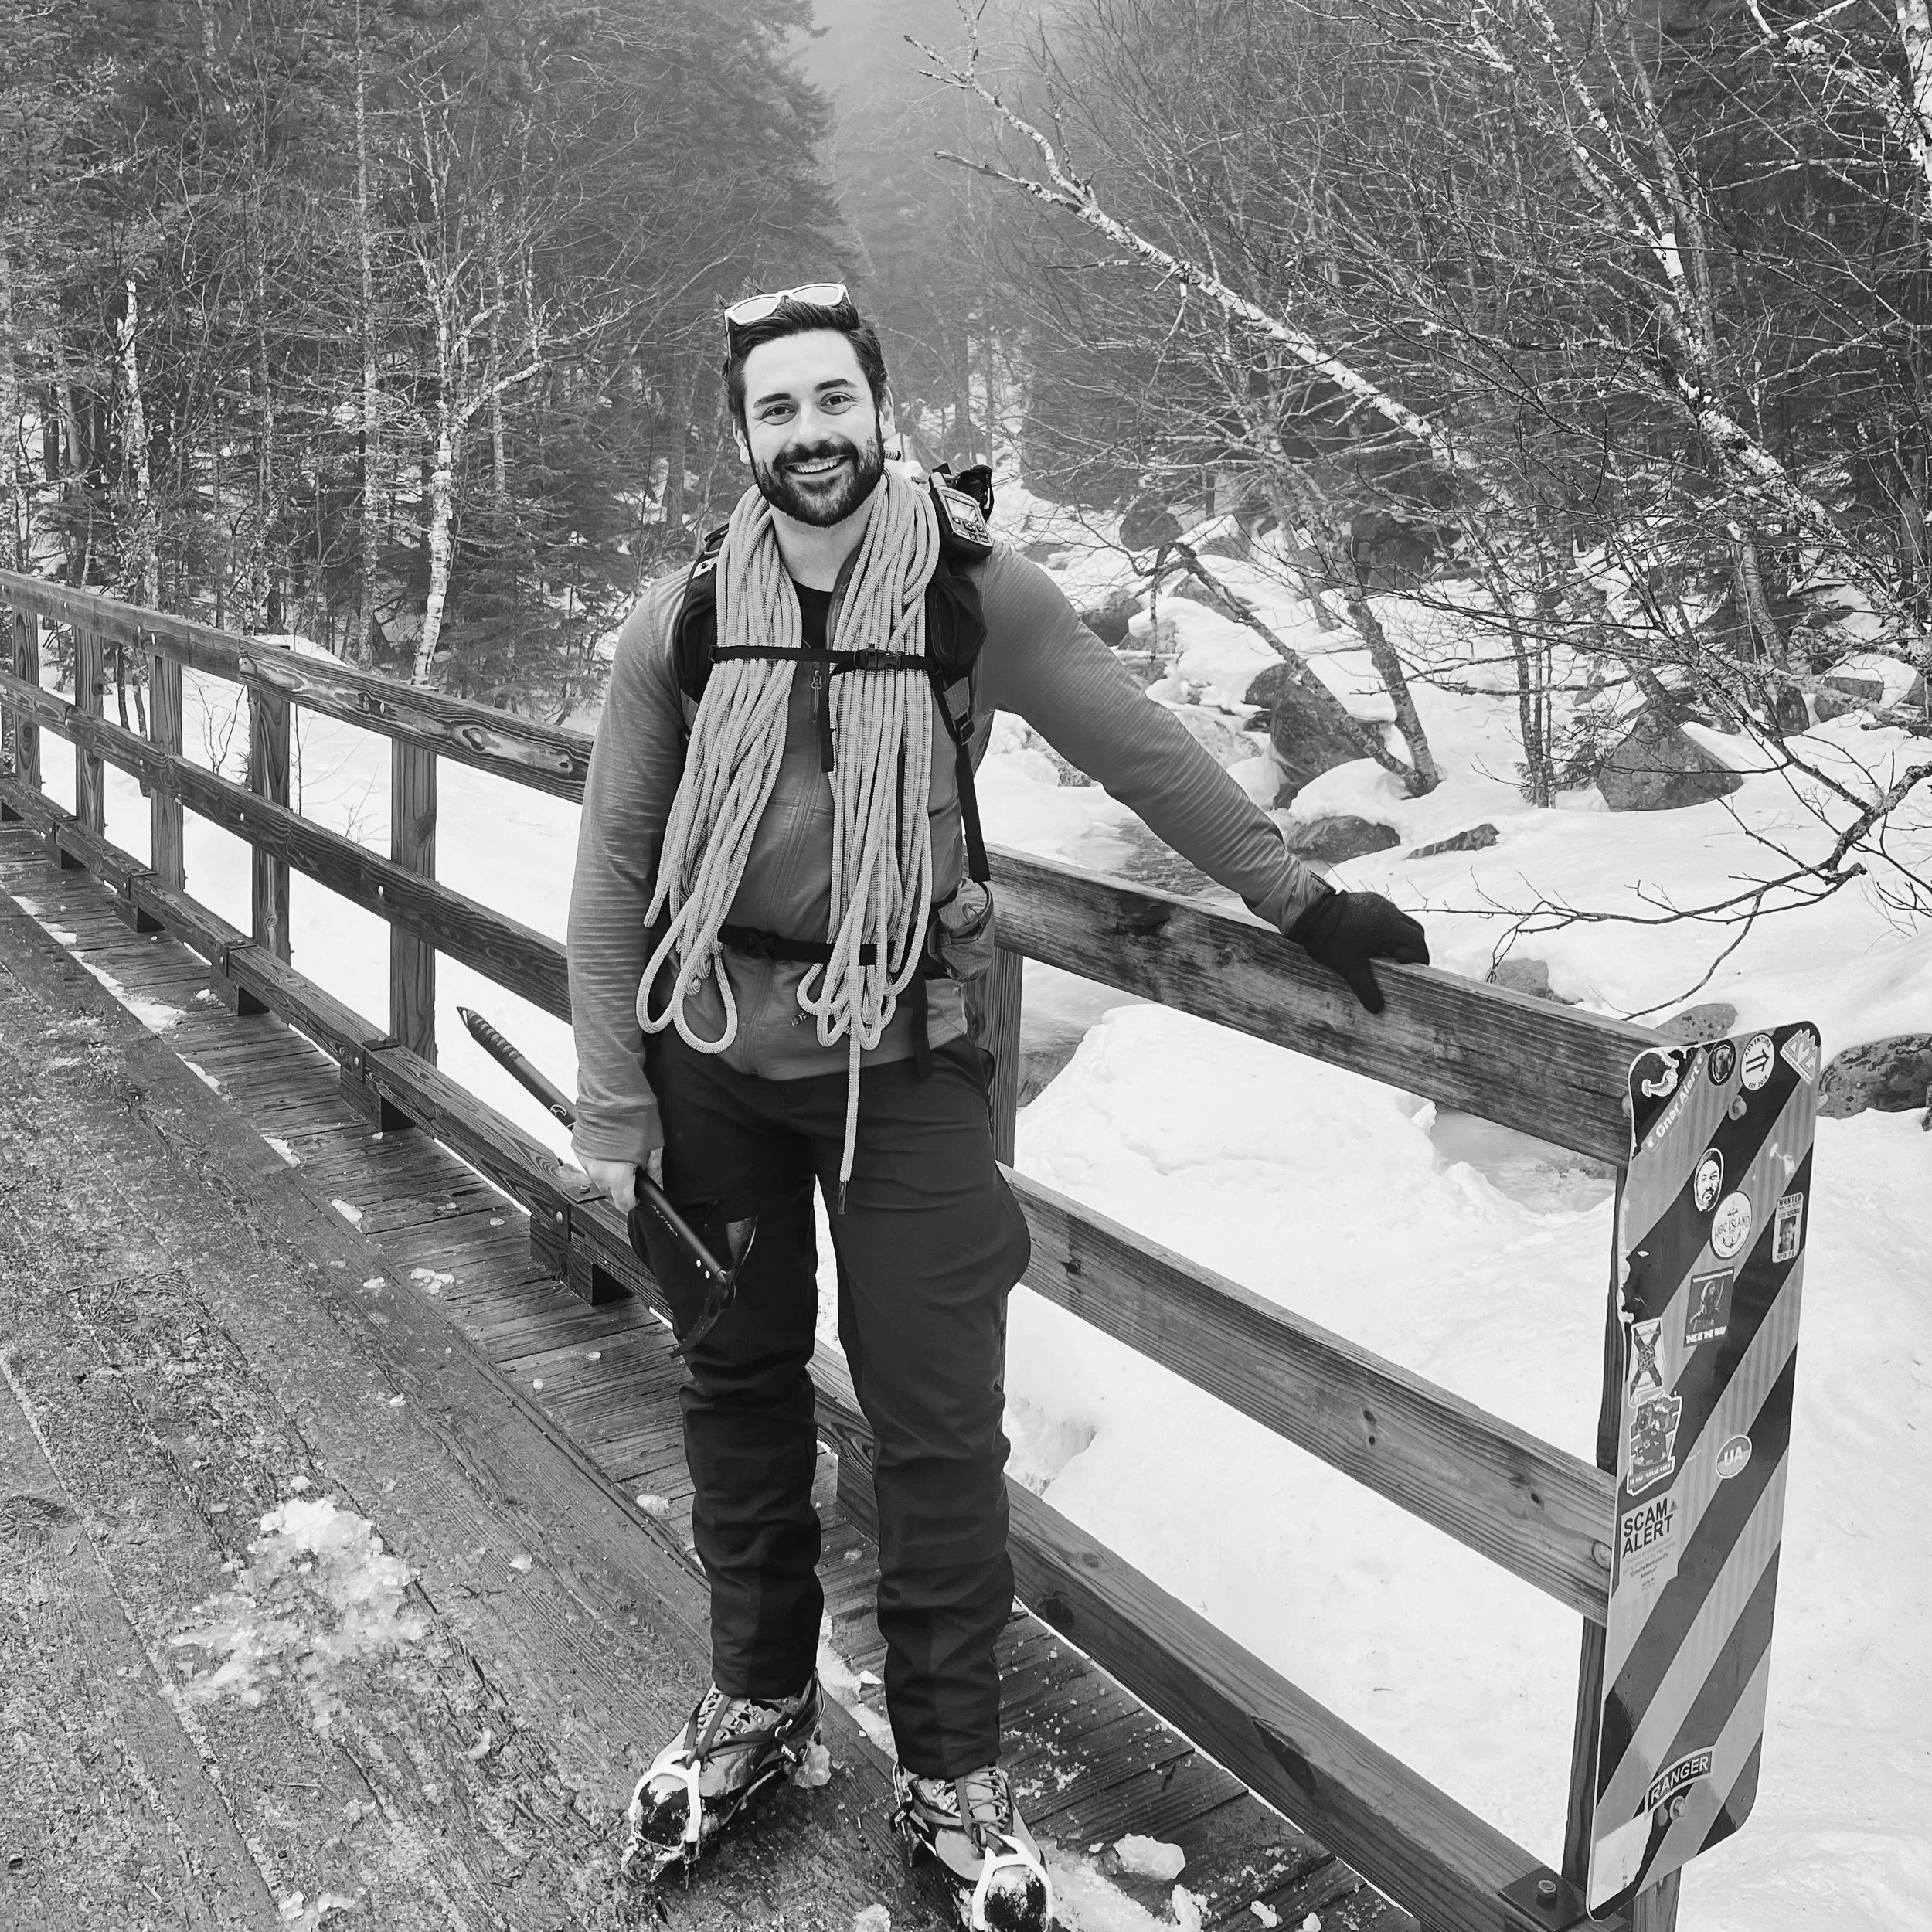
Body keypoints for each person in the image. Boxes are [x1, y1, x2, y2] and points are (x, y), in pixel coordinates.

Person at [566, 285, 1428, 1928]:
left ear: (878, 407)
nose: (810, 433)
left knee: (941, 1426)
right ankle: (756, 1704)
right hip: (713, 1066)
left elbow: (1139, 746)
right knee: (735, 1382)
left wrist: (1298, 895)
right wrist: (614, 1108)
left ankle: (950, 1771)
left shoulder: (974, 598)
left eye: (835, 400)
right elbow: (616, 865)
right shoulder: (676, 622)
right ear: (740, 435)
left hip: (903, 1064)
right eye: (778, 409)